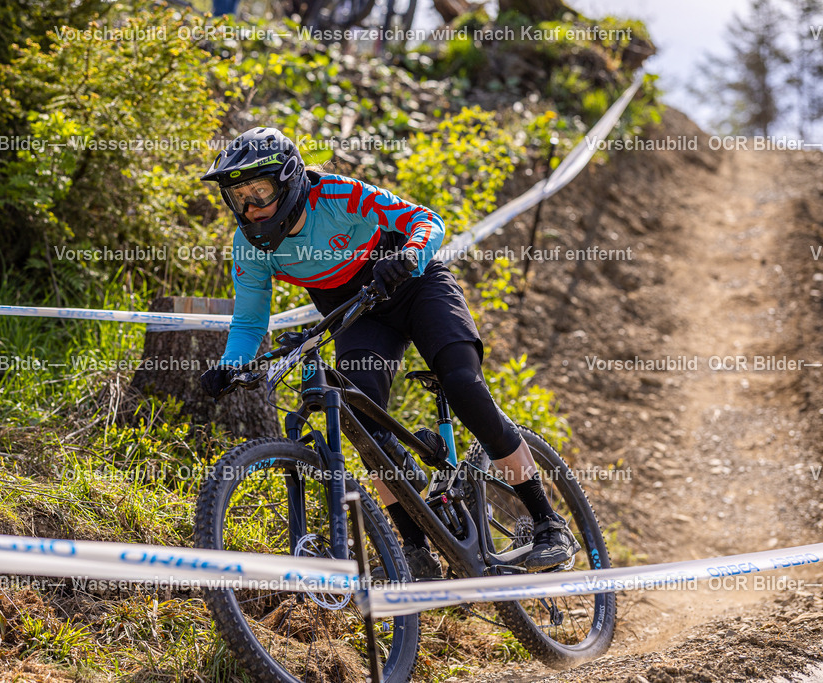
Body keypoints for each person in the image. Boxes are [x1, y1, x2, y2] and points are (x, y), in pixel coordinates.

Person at [198, 127, 579, 578]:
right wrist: (230, 365)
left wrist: (410, 255)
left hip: (416, 286)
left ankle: (548, 523)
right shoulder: (250, 247)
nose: (249, 207)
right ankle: (415, 550)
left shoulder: (339, 194)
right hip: (360, 315)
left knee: (463, 385)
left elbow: (426, 221)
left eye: (259, 191)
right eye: (237, 197)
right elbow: (248, 322)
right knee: (365, 425)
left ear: (290, 180)